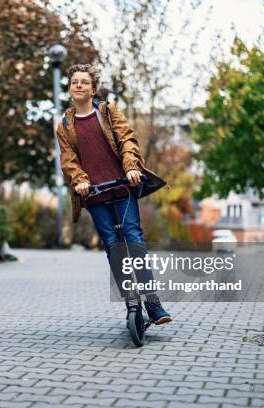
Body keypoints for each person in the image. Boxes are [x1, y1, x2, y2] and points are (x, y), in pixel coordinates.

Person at [56, 64, 172, 324]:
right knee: (112, 246)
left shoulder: (107, 112)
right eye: (74, 81)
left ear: (93, 89)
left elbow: (127, 140)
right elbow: (69, 160)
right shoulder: (64, 125)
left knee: (133, 240)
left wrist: (132, 168)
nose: (78, 85)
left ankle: (153, 304)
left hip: (123, 186)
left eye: (83, 82)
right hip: (94, 193)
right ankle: (131, 303)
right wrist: (80, 181)